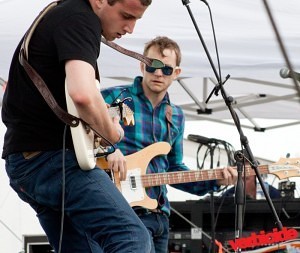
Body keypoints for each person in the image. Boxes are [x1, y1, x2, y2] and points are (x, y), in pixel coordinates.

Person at [1, 0, 153, 252]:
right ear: (100, 1)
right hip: (51, 161)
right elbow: (82, 94)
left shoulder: (62, 14)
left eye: (136, 19)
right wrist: (111, 134)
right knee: (131, 237)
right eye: (126, 16)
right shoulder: (80, 18)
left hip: (27, 162)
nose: (130, 28)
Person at [101, 36, 238, 253]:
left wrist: (215, 181)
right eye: (152, 65)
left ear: (176, 73)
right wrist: (108, 149)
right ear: (141, 64)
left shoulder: (175, 116)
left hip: (159, 217)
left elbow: (174, 168)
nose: (157, 73)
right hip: (121, 212)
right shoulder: (116, 98)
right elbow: (79, 131)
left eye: (166, 69)